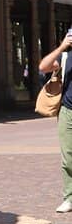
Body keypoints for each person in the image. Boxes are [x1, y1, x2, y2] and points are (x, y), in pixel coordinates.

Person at [39, 28, 72, 212]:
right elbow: (43, 67)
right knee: (68, 158)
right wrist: (61, 48)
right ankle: (69, 197)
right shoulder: (65, 56)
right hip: (67, 110)